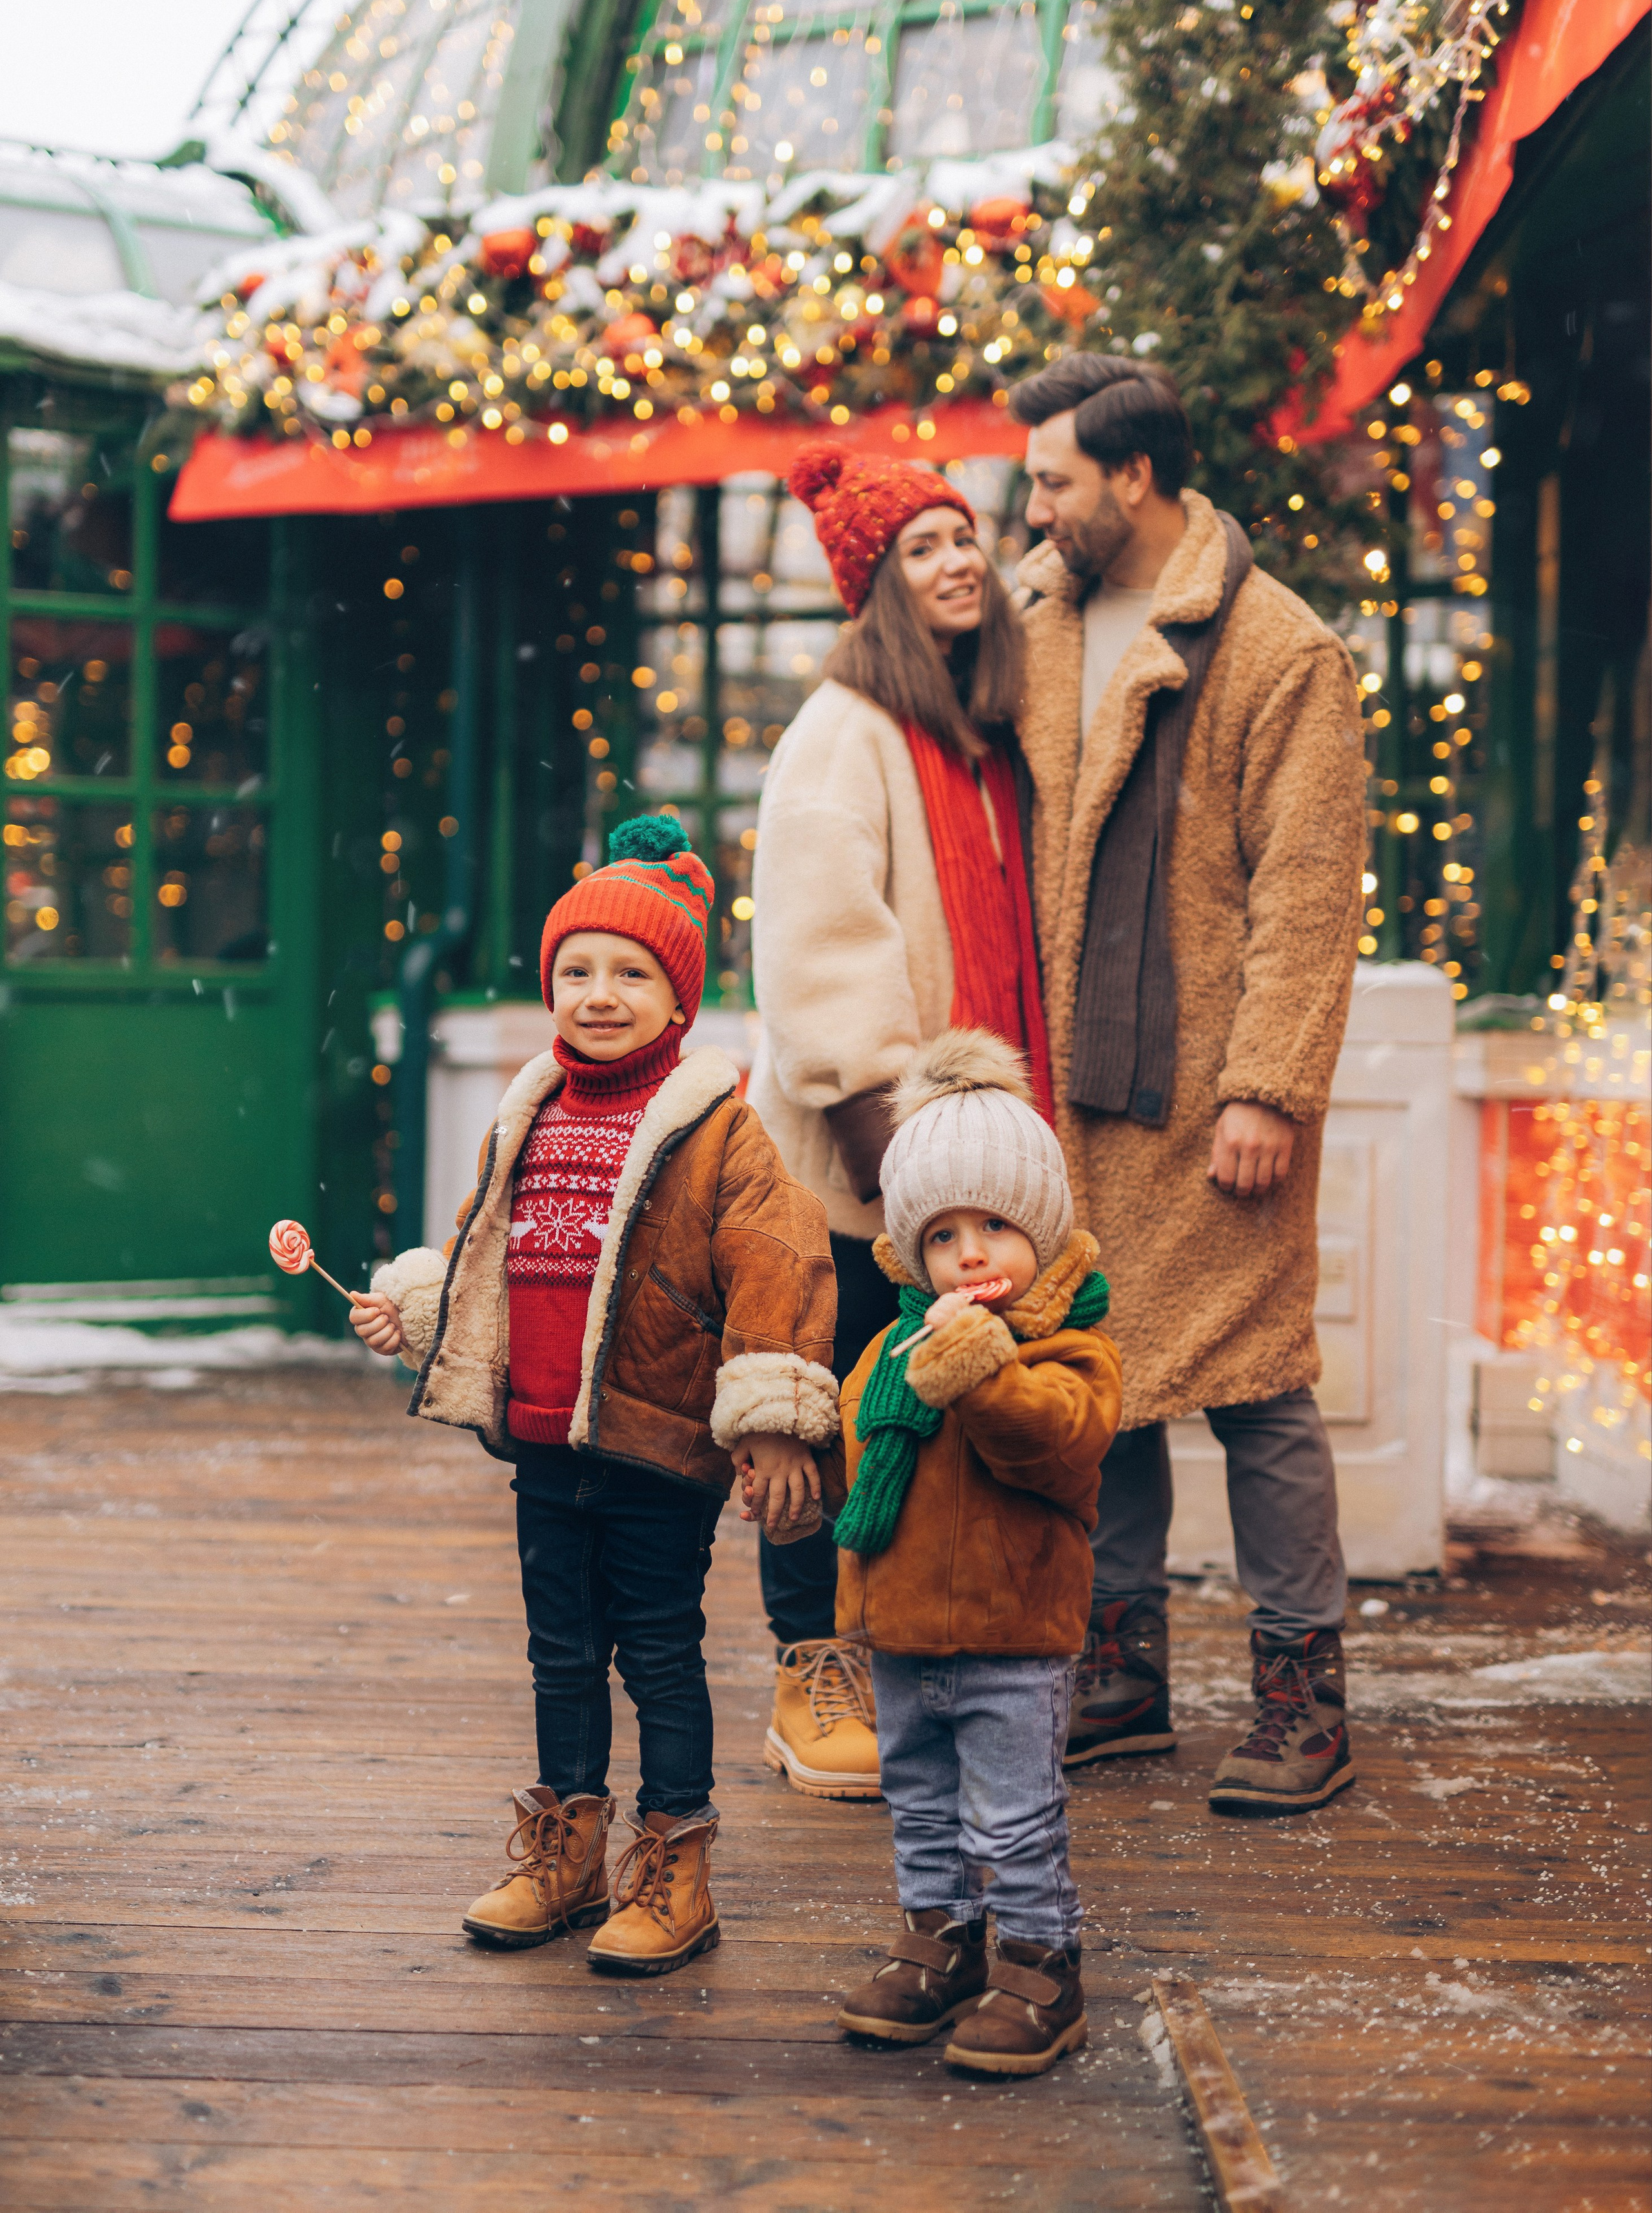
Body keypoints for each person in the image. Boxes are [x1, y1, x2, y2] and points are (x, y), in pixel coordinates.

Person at [349, 817, 838, 1972]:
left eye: (634, 974)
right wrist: (419, 1314)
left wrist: (769, 1419)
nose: (601, 994)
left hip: (657, 1444)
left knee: (659, 1651)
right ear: (549, 986)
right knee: (558, 1651)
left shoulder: (719, 1133)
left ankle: (676, 1862)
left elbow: (779, 1263)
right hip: (544, 1440)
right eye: (578, 971)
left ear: (680, 1002)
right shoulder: (529, 1115)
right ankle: (564, 1845)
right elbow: (490, 1250)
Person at [1003, 352, 1367, 1817]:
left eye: (1053, 481)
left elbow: (1305, 887)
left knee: (1257, 1387)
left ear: (1133, 480)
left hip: (1210, 1084)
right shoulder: (1033, 622)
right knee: (1108, 1377)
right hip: (1065, 1080)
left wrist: (1267, 1085)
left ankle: (1301, 1696)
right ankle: (1120, 1672)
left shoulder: (1278, 650)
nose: (1031, 508)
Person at [746, 443, 1053, 1803]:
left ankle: (913, 1655)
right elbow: (820, 962)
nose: (956, 560)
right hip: (862, 1166)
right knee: (828, 1416)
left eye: (963, 535)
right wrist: (902, 1145)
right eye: (921, 544)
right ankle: (810, 1666)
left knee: (924, 1418)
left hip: (957, 1160)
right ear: (873, 584)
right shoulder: (841, 732)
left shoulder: (972, 738)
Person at [815, 1027, 1120, 2076]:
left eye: (995, 1225)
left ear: (1042, 1229)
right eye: (944, 1235)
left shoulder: (1065, 1349)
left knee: (1013, 1813)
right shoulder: (892, 1351)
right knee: (923, 1807)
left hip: (1012, 1638)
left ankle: (1042, 1962)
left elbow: (1061, 1442)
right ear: (913, 1252)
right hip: (904, 1638)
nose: (971, 1252)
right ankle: (938, 1940)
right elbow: (861, 1455)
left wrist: (986, 1375)